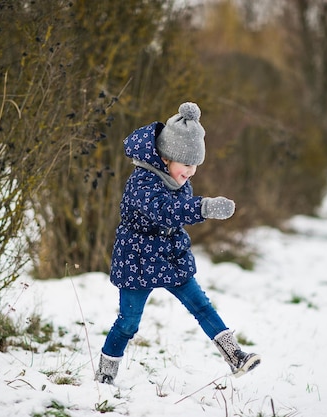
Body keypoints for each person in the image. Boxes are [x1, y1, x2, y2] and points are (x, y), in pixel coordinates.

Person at [95, 102, 261, 385]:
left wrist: (198, 207)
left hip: (171, 255)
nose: (192, 171)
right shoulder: (142, 182)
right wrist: (204, 207)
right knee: (128, 323)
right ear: (166, 157)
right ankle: (105, 375)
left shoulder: (179, 181)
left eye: (195, 165)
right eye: (187, 164)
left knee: (202, 306)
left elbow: (179, 212)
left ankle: (236, 357)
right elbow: (166, 211)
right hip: (137, 259)